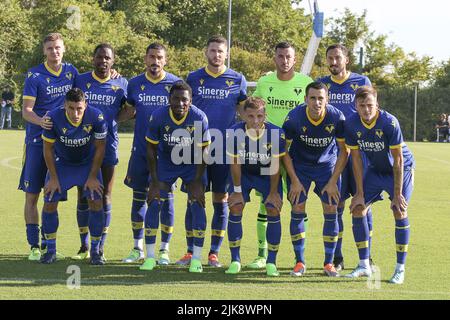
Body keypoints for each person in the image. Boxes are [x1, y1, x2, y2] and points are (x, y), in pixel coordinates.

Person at [176, 35, 247, 268]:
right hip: (195, 148)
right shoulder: (194, 78)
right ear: (205, 52)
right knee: (194, 197)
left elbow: (245, 112)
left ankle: (213, 253)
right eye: (213, 50)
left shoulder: (238, 79)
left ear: (226, 54)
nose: (216, 55)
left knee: (221, 199)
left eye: (220, 51)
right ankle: (190, 250)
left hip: (224, 149)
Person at [249, 41, 313, 269]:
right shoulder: (265, 82)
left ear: (294, 59)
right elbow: (252, 109)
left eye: (288, 57)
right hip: (268, 151)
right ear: (274, 58)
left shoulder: (306, 84)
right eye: (280, 56)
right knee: (267, 202)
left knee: (298, 203)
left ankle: (300, 257)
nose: (284, 60)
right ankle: (262, 255)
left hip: (298, 152)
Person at [344, 86, 415, 284]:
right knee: (358, 208)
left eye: (370, 105)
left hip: (400, 170)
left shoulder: (389, 122)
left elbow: (398, 160)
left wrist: (397, 193)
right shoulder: (351, 124)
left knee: (399, 211)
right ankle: (363, 264)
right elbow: (356, 159)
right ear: (355, 106)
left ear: (377, 105)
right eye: (362, 105)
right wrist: (358, 192)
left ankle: (400, 269)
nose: (367, 110)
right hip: (376, 170)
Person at [19, 33, 78, 261]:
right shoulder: (34, 75)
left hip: (60, 144)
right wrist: (41, 121)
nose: (55, 51)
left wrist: (113, 73)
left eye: (58, 48)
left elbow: (91, 83)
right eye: (51, 48)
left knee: (52, 195)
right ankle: (34, 246)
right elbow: (26, 111)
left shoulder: (71, 72)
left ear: (64, 49)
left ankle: (49, 244)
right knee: (32, 194)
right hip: (36, 142)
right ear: (44, 51)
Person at [140, 81, 210, 273]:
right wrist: (154, 182)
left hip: (191, 162)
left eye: (184, 100)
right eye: (176, 99)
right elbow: (151, 148)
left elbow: (205, 151)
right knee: (154, 201)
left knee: (197, 203)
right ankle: (151, 256)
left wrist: (197, 181)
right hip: (167, 162)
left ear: (191, 101)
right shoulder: (159, 116)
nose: (180, 103)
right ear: (169, 99)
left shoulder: (199, 117)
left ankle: (196, 258)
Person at [121, 43, 181, 264]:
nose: (155, 61)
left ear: (165, 60)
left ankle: (164, 250)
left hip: (167, 153)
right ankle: (137, 247)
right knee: (139, 198)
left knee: (166, 200)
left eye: (159, 57)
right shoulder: (134, 84)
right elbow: (127, 111)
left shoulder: (175, 84)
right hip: (140, 151)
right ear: (145, 59)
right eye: (151, 57)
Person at [225, 97, 298, 276]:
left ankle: (271, 262)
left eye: (259, 116)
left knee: (273, 208)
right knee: (235, 206)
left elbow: (275, 164)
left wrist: (273, 193)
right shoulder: (234, 132)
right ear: (243, 116)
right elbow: (234, 164)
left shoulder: (276, 133)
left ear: (265, 115)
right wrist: (236, 191)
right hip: (244, 174)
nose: (255, 121)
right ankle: (235, 260)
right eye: (250, 116)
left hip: (267, 175)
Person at [282, 81, 348, 277]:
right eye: (313, 98)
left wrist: (333, 180)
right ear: (305, 99)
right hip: (300, 167)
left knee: (331, 208)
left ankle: (328, 263)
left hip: (327, 167)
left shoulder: (337, 117)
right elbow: (283, 151)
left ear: (327, 100)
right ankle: (300, 261)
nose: (317, 102)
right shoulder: (294, 117)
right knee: (297, 208)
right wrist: (293, 180)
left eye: (321, 98)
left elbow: (344, 152)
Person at [317, 44, 373, 271]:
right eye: (330, 58)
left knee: (364, 203)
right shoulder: (323, 84)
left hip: (360, 153)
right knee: (336, 204)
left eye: (337, 58)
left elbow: (371, 111)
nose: (333, 62)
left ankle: (367, 256)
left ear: (346, 60)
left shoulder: (361, 82)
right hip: (335, 153)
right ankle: (337, 257)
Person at [71, 43, 128, 261]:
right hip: (82, 145)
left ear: (113, 61)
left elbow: (129, 109)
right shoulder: (81, 80)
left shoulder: (121, 82)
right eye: (100, 57)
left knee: (105, 195)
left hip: (109, 145)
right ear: (93, 59)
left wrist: (113, 120)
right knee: (83, 194)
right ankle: (84, 244)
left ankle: (99, 245)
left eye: (108, 58)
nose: (103, 61)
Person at [39, 88, 107, 265]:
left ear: (86, 105)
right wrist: (53, 178)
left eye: (79, 109)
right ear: (64, 106)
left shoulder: (96, 117)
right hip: (62, 164)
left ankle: (95, 251)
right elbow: (47, 149)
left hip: (87, 164)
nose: (75, 113)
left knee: (96, 201)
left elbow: (100, 148)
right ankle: (50, 250)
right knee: (49, 201)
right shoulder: (53, 118)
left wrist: (93, 177)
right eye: (71, 108)